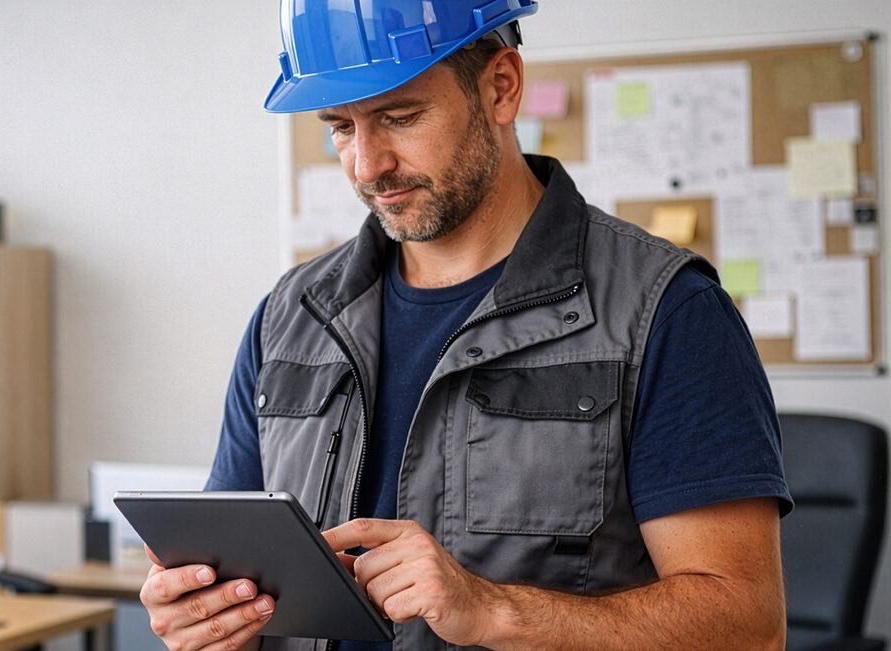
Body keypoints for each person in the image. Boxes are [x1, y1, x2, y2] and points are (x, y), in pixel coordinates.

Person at [139, 2, 792, 650]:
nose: (367, 166)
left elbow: (747, 627)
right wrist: (214, 622)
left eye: (400, 117)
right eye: (339, 126)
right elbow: (233, 583)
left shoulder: (666, 313)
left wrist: (496, 609)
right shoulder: (290, 316)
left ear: (501, 86)